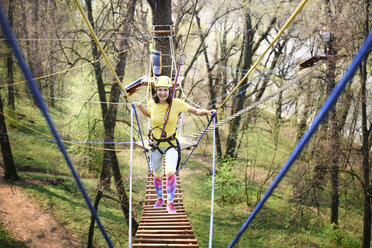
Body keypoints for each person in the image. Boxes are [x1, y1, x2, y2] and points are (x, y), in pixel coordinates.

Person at [134, 75, 215, 213]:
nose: (162, 93)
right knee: (157, 174)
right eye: (160, 90)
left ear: (169, 90)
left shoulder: (176, 103)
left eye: (165, 90)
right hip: (155, 145)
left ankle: (170, 203)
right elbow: (149, 114)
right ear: (156, 90)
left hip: (171, 144)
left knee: (170, 172)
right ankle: (160, 198)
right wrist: (140, 106)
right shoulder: (152, 103)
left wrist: (207, 112)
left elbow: (195, 111)